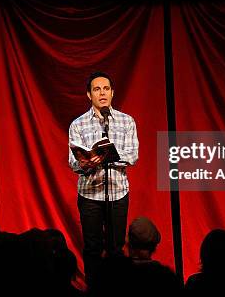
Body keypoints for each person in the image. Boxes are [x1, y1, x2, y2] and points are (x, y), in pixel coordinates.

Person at [68, 71, 139, 288]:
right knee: (92, 248)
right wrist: (86, 162)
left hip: (118, 192)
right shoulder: (78, 125)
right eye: (97, 89)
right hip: (89, 194)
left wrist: (108, 157)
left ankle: (116, 289)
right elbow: (72, 162)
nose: (102, 93)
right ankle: (94, 289)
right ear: (89, 95)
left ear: (112, 93)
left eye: (106, 89)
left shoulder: (126, 121)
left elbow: (133, 155)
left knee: (116, 248)